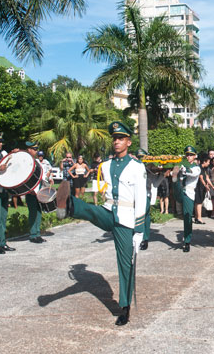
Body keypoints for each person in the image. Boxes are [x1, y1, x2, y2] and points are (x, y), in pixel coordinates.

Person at [54, 121, 146, 326]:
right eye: (114, 138)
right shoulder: (105, 165)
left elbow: (142, 198)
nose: (116, 142)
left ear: (129, 142)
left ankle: (124, 307)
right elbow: (100, 186)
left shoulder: (137, 167)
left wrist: (140, 230)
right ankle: (68, 204)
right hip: (108, 211)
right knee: (91, 211)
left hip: (126, 218)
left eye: (120, 139)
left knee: (125, 265)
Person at [136, 148, 169, 251]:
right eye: (139, 158)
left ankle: (144, 239)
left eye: (142, 158)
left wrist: (162, 175)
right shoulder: (134, 167)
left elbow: (155, 184)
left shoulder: (150, 170)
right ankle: (137, 236)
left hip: (145, 194)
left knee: (145, 215)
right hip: (135, 195)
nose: (141, 160)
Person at [173, 146, 201, 253]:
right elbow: (175, 177)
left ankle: (187, 241)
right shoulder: (182, 164)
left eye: (191, 155)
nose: (188, 157)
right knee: (182, 215)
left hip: (188, 192)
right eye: (187, 154)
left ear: (195, 156)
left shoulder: (196, 167)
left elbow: (191, 172)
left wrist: (182, 168)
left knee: (187, 216)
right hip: (179, 190)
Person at [25, 141, 49, 244]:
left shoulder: (38, 162)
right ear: (29, 150)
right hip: (30, 191)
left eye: (36, 149)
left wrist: (47, 182)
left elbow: (42, 176)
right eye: (34, 149)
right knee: (33, 212)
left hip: (39, 190)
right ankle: (32, 234)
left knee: (39, 212)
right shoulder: (25, 161)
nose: (36, 151)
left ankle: (38, 233)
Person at [194, 153, 214, 225]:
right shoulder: (199, 168)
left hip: (202, 188)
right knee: (198, 203)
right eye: (208, 162)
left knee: (198, 202)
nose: (209, 163)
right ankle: (199, 218)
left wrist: (212, 186)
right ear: (204, 161)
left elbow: (207, 178)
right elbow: (201, 178)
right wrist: (206, 185)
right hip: (198, 187)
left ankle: (197, 217)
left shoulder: (204, 169)